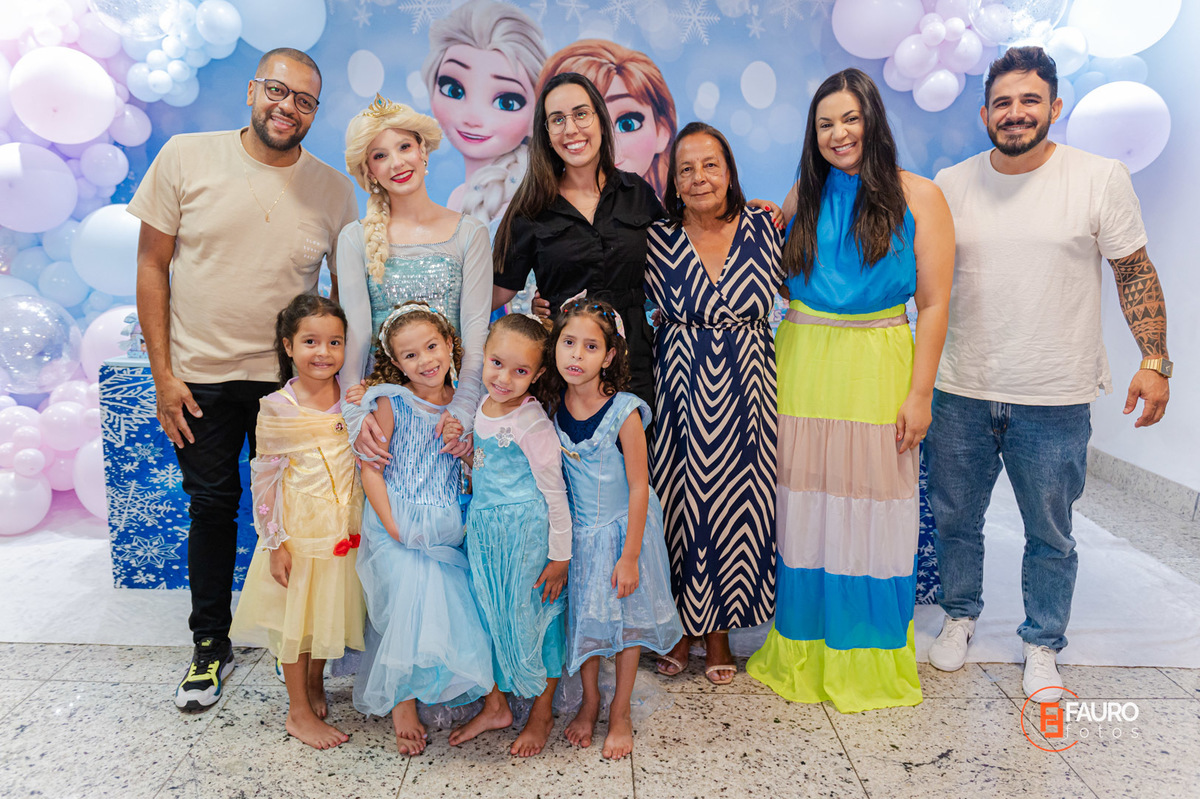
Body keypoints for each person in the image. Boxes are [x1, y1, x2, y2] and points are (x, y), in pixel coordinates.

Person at [925, 47, 1171, 702]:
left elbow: (1134, 269)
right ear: (985, 114)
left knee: (1051, 532)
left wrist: (1155, 361)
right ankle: (959, 615)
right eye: (1003, 102)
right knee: (955, 519)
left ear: (1054, 107)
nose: (1016, 113)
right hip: (961, 388)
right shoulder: (951, 183)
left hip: (1054, 395)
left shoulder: (1098, 177)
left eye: (1030, 100)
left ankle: (1042, 642)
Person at [130, 47, 358, 712]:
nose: (288, 107)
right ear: (253, 90)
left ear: (314, 113)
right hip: (198, 379)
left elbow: (347, 295)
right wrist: (163, 375)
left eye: (305, 101)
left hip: (289, 392)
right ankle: (210, 646)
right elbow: (151, 266)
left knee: (300, 518)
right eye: (278, 91)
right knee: (212, 509)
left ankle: (299, 650)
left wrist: (341, 383)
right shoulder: (185, 156)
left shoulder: (332, 189)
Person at [745, 68, 955, 713]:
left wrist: (920, 395)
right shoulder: (801, 197)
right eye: (825, 123)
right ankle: (803, 648)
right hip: (802, 364)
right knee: (805, 509)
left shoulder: (921, 196)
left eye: (850, 119)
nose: (838, 134)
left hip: (878, 365)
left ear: (873, 121)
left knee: (875, 512)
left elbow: (935, 303)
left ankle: (865, 658)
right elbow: (764, 267)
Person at [644, 122, 782, 684]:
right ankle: (680, 628)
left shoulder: (766, 227)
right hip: (679, 386)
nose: (699, 177)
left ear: (729, 172)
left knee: (737, 507)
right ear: (673, 181)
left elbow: (808, 290)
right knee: (679, 506)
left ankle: (720, 632)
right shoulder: (655, 238)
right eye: (686, 169)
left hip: (750, 387)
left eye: (710, 165)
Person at [343, 301, 493, 755]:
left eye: (431, 347)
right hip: (397, 518)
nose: (425, 361)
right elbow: (371, 469)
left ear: (449, 344)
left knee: (444, 608)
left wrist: (466, 451)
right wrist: (393, 526)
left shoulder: (467, 405)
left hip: (444, 521)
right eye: (410, 355)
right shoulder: (391, 401)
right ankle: (402, 703)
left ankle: (432, 684)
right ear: (396, 361)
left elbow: (475, 468)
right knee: (403, 606)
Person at [544, 298, 684, 759]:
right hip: (580, 537)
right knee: (584, 622)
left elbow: (640, 486)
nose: (576, 355)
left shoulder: (625, 411)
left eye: (590, 347)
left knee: (625, 626)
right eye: (568, 342)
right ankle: (590, 701)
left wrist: (630, 556)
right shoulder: (551, 405)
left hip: (625, 534)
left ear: (608, 357)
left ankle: (620, 710)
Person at [228, 294, 365, 749]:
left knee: (326, 612)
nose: (323, 352)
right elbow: (264, 481)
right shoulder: (277, 407)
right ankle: (298, 712)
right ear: (288, 345)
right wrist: (275, 543)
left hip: (342, 531)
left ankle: (314, 682)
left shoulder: (352, 398)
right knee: (296, 622)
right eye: (310, 341)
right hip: (299, 534)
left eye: (334, 342)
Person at [492, 73, 664, 412]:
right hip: (565, 376)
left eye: (581, 114)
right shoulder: (530, 207)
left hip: (635, 368)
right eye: (557, 120)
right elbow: (495, 292)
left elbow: (683, 254)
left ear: (600, 119)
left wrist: (745, 216)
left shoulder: (637, 193)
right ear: (546, 134)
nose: (571, 129)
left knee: (639, 446)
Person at [338, 95, 490, 462]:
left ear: (423, 150)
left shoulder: (470, 233)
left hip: (453, 412)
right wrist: (355, 416)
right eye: (380, 155)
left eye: (404, 146)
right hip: (383, 415)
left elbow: (475, 329)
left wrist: (465, 409)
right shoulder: (354, 238)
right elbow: (356, 337)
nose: (397, 162)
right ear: (369, 171)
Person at [448, 314, 571, 757]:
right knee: (490, 615)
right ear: (482, 357)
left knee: (534, 618)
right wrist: (467, 455)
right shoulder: (482, 405)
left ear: (537, 374)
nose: (504, 378)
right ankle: (496, 705)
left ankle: (542, 711)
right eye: (497, 363)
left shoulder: (532, 422)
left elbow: (555, 494)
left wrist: (560, 558)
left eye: (520, 371)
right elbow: (488, 468)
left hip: (525, 537)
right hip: (486, 534)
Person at [423, 0, 546, 230]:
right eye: (454, 90)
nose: (472, 118)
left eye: (507, 102)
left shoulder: (532, 200)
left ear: (536, 114)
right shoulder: (458, 197)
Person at [538, 40, 676, 199]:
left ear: (661, 132)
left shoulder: (662, 208)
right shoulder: (540, 207)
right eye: (559, 119)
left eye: (627, 124)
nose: (608, 142)